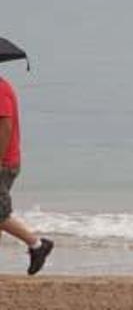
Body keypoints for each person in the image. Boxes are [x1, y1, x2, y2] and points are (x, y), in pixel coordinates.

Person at [0, 76, 54, 275]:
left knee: (0, 214)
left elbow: (6, 126)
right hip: (6, 161)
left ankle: (38, 245)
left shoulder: (0, 89)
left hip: (4, 163)